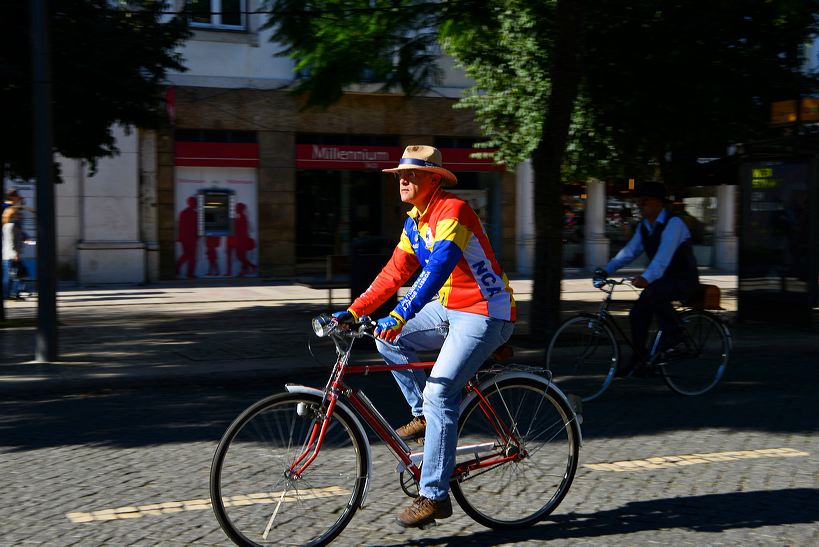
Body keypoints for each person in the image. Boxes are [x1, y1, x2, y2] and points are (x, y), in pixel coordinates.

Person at [332, 145, 516, 528]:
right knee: (388, 339)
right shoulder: (415, 221)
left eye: (411, 174)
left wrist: (401, 313)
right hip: (449, 310)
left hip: (485, 311)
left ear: (434, 179)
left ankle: (435, 495)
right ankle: (426, 419)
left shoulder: (454, 211)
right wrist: (354, 312)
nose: (402, 179)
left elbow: (437, 268)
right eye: (399, 174)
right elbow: (392, 274)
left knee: (440, 393)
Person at [594, 181, 699, 376]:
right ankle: (641, 357)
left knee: (655, 294)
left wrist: (645, 277)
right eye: (638, 203)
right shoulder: (644, 227)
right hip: (661, 281)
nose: (640, 206)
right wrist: (606, 270)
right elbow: (628, 252)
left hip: (683, 279)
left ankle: (676, 333)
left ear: (659, 203)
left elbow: (662, 258)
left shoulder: (673, 224)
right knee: (637, 313)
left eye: (645, 202)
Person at [2, 206, 25, 300]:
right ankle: (9, 294)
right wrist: (15, 254)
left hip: (8, 255)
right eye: (17, 213)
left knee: (11, 276)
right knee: (12, 276)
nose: (19, 215)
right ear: (13, 214)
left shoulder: (7, 225)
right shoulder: (11, 226)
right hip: (11, 255)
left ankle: (11, 294)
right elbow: (11, 241)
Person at [176, 196, 199, 278]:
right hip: (189, 238)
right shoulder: (191, 214)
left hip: (188, 238)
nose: (196, 204)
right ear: (190, 203)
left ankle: (183, 271)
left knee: (188, 255)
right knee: (189, 256)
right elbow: (181, 226)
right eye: (194, 202)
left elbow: (180, 226)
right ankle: (188, 273)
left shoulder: (184, 213)